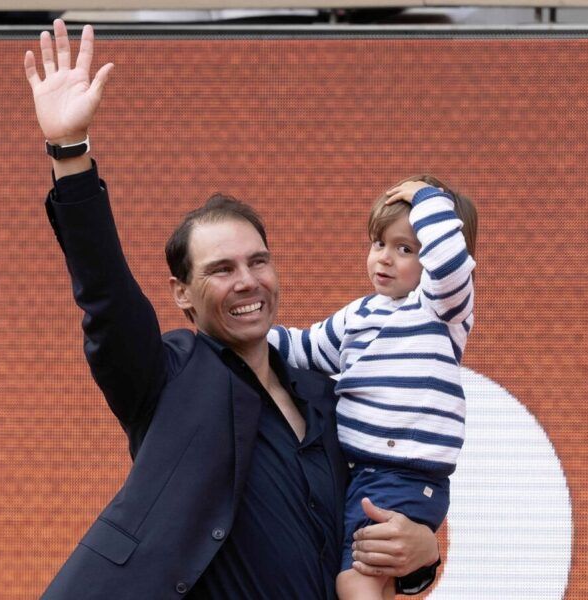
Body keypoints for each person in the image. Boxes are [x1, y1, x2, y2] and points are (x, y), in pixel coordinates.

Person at [24, 19, 440, 599]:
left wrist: (422, 556)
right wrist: (70, 154)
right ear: (182, 295)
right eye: (221, 270)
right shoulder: (166, 374)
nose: (247, 282)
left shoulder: (326, 391)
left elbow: (373, 523)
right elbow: (106, 294)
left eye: (258, 262)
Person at [269, 176, 477, 599]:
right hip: (360, 476)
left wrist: (428, 199)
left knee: (355, 581)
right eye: (378, 243)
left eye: (406, 249)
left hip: (403, 476)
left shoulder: (440, 309)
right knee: (373, 584)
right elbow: (304, 347)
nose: (385, 258)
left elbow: (452, 264)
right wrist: (240, 334)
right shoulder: (359, 315)